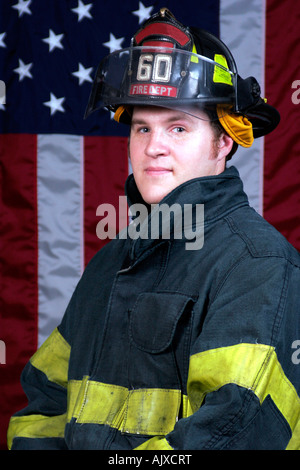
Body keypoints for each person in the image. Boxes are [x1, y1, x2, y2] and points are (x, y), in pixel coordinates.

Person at [7, 8, 300, 450]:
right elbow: (46, 405)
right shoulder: (111, 261)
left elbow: (229, 431)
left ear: (224, 142)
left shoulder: (259, 265)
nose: (154, 146)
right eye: (142, 127)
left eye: (178, 127)